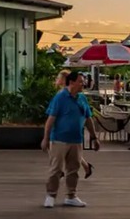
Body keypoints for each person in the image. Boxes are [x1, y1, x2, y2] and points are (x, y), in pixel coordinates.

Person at [41, 71, 99, 208]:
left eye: (83, 81)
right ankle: (50, 195)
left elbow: (88, 118)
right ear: (71, 82)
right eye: (80, 81)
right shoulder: (60, 98)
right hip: (59, 140)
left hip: (76, 140)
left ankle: (71, 196)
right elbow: (50, 120)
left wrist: (94, 137)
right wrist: (45, 138)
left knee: (73, 169)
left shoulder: (82, 99)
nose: (83, 84)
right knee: (56, 169)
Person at [54, 71, 94, 179]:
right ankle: (85, 167)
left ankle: (59, 170)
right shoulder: (62, 94)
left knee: (68, 151)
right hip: (63, 129)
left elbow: (87, 116)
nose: (57, 80)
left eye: (59, 78)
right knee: (70, 152)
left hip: (68, 130)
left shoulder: (74, 95)